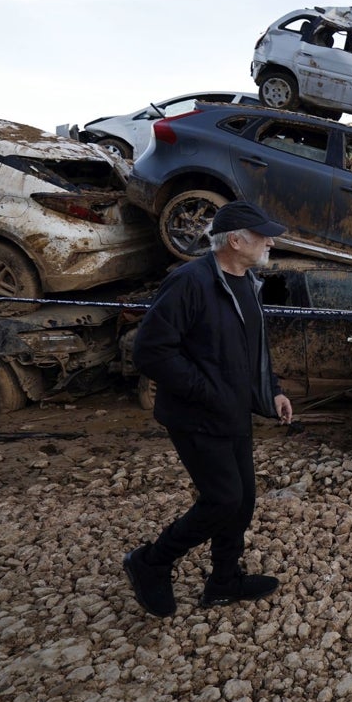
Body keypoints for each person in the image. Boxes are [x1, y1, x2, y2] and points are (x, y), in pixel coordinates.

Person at [123, 200, 293, 618]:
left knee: (244, 500)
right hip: (197, 415)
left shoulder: (247, 282)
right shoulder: (190, 282)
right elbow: (150, 351)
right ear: (235, 240)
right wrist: (207, 390)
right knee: (222, 499)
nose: (270, 241)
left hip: (233, 412)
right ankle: (151, 562)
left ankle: (223, 581)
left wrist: (271, 390)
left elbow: (252, 350)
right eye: (262, 235)